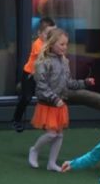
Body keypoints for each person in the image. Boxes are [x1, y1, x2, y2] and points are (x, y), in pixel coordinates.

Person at [28, 28, 94, 171]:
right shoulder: (43, 62)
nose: (65, 47)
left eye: (66, 44)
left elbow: (68, 82)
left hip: (60, 103)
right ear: (51, 44)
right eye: (62, 44)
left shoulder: (64, 61)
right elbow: (41, 86)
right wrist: (54, 99)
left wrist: (84, 83)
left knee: (59, 135)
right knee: (51, 133)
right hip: (48, 104)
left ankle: (51, 163)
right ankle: (34, 150)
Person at [11, 17, 56, 132]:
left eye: (53, 34)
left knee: (48, 97)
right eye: (48, 34)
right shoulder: (38, 44)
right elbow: (44, 58)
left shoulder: (52, 45)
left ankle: (47, 122)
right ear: (39, 34)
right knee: (27, 98)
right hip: (30, 74)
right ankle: (16, 120)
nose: (50, 37)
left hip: (43, 76)